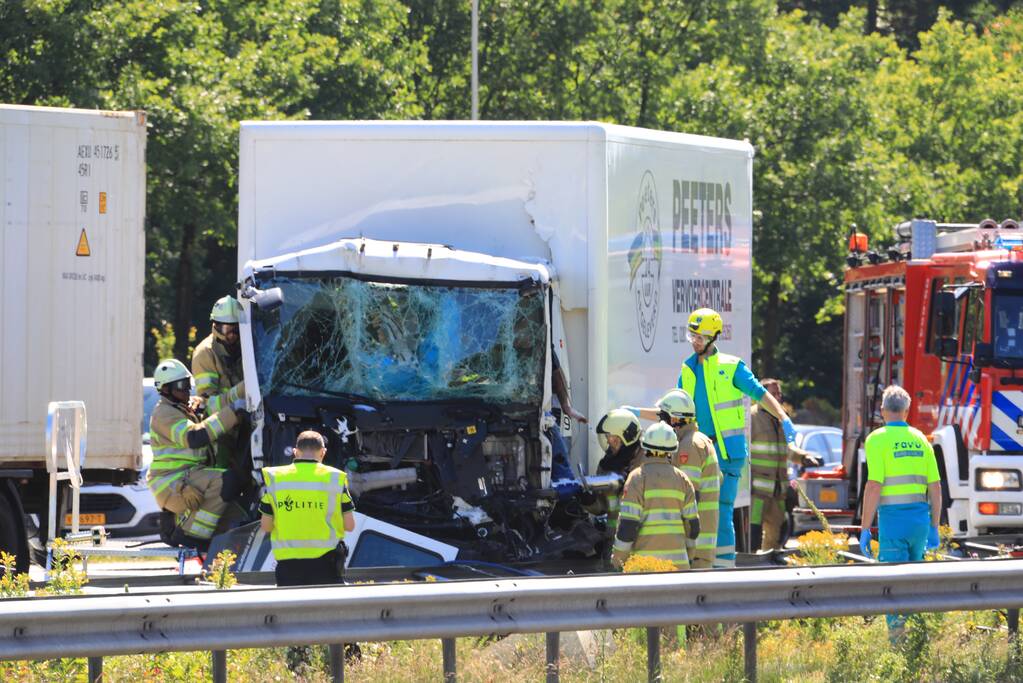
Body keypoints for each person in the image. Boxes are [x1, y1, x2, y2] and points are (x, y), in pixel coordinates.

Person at [858, 385, 942, 640]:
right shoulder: (921, 439)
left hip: (893, 523)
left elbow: (874, 486)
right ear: (907, 410)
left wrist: (864, 529)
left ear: (883, 410)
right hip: (920, 522)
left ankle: (898, 646)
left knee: (893, 587)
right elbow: (935, 488)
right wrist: (935, 527)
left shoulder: (876, 439)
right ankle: (917, 643)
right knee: (915, 585)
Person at [147, 359, 244, 550]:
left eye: (188, 385)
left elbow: (218, 403)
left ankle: (178, 523)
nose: (186, 390)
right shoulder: (164, 414)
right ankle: (191, 535)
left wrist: (246, 388)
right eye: (181, 386)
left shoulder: (186, 407)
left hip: (190, 476)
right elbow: (195, 436)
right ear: (165, 389)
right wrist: (233, 414)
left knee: (234, 511)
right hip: (172, 483)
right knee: (226, 481)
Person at [260, 430, 356, 586]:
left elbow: (266, 526)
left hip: (288, 567)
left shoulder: (275, 478)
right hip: (326, 565)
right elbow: (350, 526)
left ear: (295, 452)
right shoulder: (335, 478)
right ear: (323, 452)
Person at [611, 422, 700, 570]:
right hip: (678, 570)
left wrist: (618, 560)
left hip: (646, 570)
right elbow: (693, 526)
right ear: (672, 450)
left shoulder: (637, 478)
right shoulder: (683, 480)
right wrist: (689, 555)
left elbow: (628, 526)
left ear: (645, 448)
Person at [749, 379, 821, 551]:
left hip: (777, 490)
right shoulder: (751, 417)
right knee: (753, 534)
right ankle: (750, 567)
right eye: (773, 393)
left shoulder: (782, 419)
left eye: (779, 393)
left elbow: (787, 449)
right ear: (761, 395)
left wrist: (803, 458)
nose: (778, 397)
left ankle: (769, 566)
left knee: (777, 533)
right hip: (756, 491)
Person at [655, 389, 720, 569]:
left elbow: (688, 496)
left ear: (675, 419)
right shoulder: (699, 440)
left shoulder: (688, 446)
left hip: (694, 546)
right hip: (699, 543)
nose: (661, 423)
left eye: (663, 417)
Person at [192, 295, 246, 470]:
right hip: (223, 431)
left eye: (236, 329)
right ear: (215, 326)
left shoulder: (247, 346)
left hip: (247, 423)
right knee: (224, 478)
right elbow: (208, 405)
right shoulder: (205, 354)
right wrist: (239, 392)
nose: (232, 335)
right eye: (226, 328)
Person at [593, 408, 644, 537]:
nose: (609, 444)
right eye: (607, 438)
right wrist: (588, 499)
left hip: (640, 539)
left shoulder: (646, 462)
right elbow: (602, 506)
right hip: (613, 539)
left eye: (613, 440)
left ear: (627, 436)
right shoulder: (606, 464)